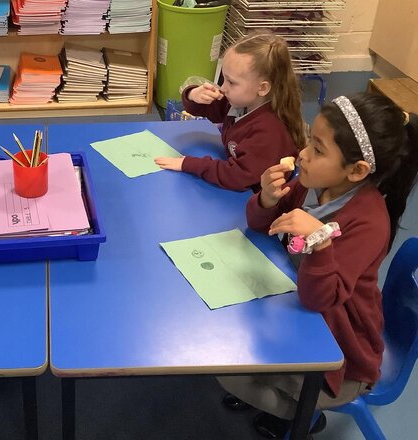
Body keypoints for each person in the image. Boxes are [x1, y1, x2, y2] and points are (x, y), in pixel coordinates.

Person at [219, 93, 418, 438]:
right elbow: (259, 224)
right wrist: (266, 199)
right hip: (301, 305)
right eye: (310, 140)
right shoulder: (315, 185)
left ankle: (299, 416)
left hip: (345, 350)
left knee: (227, 371)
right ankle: (278, 396)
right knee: (231, 342)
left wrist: (321, 243)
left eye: (318, 150)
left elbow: (320, 298)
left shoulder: (368, 223)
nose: (303, 155)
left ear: (356, 171)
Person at [155, 30, 305, 192]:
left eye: (232, 82)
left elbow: (238, 176)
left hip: (256, 202)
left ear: (262, 88)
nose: (223, 88)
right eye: (223, 79)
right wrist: (193, 95)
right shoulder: (243, 101)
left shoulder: (268, 132)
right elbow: (210, 108)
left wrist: (189, 164)